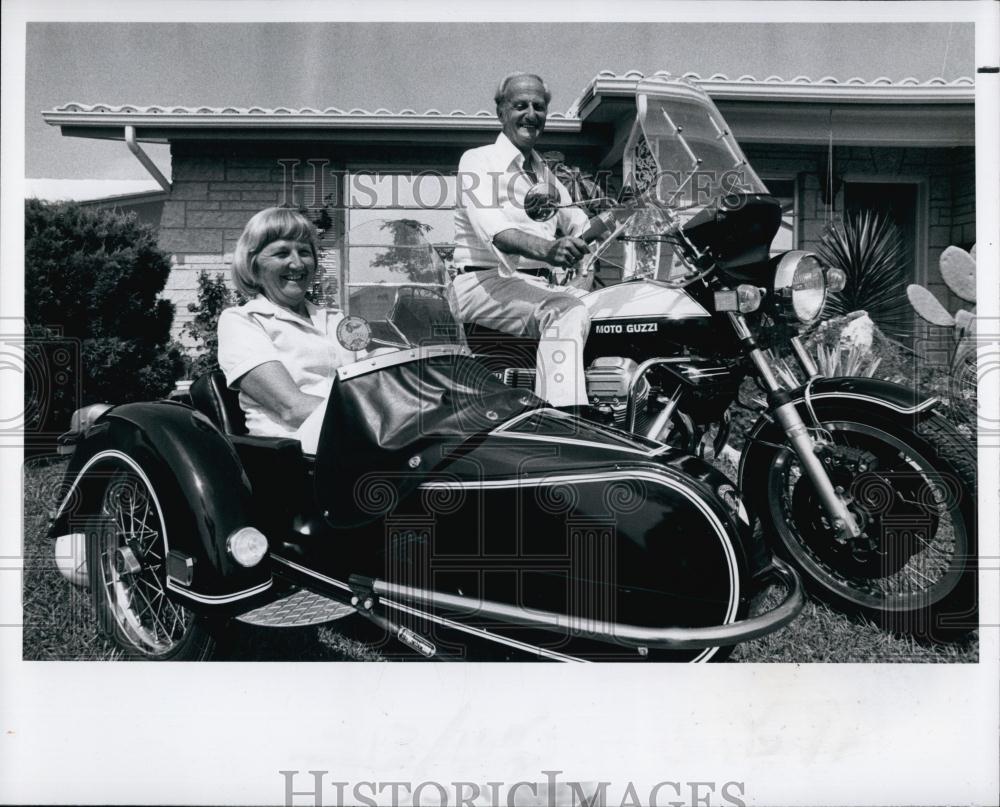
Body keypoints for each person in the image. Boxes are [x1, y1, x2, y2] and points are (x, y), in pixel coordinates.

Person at [451, 72, 595, 409]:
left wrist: (585, 268)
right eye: (520, 105)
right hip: (483, 281)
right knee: (565, 311)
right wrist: (549, 250)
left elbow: (579, 222)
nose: (531, 114)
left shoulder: (544, 174)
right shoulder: (478, 161)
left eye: (539, 107)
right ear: (501, 112)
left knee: (610, 311)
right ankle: (563, 420)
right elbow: (496, 232)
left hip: (531, 286)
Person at [217, 207, 359, 453]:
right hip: (294, 458)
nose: (297, 263)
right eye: (282, 253)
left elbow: (375, 379)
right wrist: (371, 422)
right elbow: (291, 407)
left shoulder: (336, 320)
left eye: (304, 252)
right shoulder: (242, 320)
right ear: (254, 266)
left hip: (352, 444)